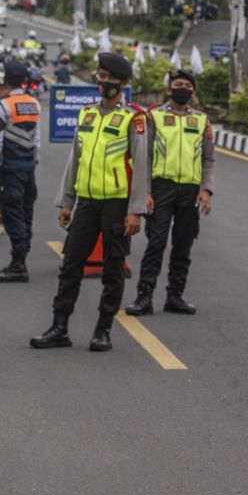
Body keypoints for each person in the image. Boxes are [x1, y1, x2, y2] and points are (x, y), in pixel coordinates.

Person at [31, 52, 150, 353]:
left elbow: (141, 166)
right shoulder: (87, 114)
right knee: (70, 264)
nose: (104, 82)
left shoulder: (133, 118)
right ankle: (59, 328)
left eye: (110, 78)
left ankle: (103, 330)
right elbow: (76, 159)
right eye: (101, 76)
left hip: (117, 205)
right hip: (86, 203)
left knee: (112, 269)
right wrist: (66, 201)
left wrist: (135, 211)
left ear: (123, 83)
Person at [125, 70, 215, 316]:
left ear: (193, 92)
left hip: (189, 192)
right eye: (178, 84)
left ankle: (175, 296)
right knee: (156, 243)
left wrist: (206, 189)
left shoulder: (201, 120)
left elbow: (208, 159)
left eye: (187, 85)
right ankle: (144, 297)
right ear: (168, 90)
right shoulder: (153, 116)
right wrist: (145, 192)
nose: (182, 88)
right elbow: (144, 157)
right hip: (160, 189)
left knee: (183, 246)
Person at [0, 61, 41, 283]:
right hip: (29, 169)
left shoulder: (4, 105)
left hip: (11, 170)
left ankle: (18, 265)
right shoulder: (34, 103)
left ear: (7, 82)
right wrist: (33, 162)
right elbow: (36, 140)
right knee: (26, 215)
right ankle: (21, 257)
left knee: (12, 214)